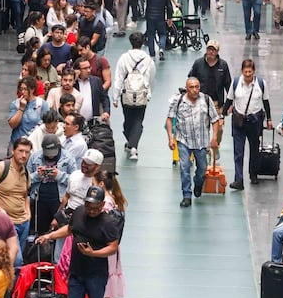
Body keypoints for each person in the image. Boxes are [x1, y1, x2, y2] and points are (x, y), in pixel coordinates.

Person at [35, 186, 121, 298]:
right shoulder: (80, 212)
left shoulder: (108, 223)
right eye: (89, 206)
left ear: (102, 205)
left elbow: (113, 247)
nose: (92, 210)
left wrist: (93, 253)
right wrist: (49, 236)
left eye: (96, 207)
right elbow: (69, 229)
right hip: (77, 269)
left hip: (96, 273)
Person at [166, 77, 223, 207]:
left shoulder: (206, 100)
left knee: (202, 168)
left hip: (201, 141)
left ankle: (198, 182)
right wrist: (170, 138)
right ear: (186, 88)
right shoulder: (178, 101)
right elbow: (169, 119)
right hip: (183, 140)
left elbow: (215, 120)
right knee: (184, 167)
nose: (195, 90)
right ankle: (186, 196)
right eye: (191, 87)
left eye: (197, 87)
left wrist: (214, 137)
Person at [223, 59, 273, 190]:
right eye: (245, 72)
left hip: (254, 121)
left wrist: (269, 119)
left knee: (254, 150)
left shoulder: (261, 84)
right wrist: (222, 115)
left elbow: (266, 102)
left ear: (254, 71)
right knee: (238, 151)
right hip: (238, 121)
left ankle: (253, 174)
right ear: (242, 71)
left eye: (250, 72)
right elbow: (229, 100)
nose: (247, 74)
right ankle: (238, 180)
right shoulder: (236, 83)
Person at [111, 32, 156, 160]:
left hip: (126, 94)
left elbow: (119, 77)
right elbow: (152, 78)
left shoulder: (124, 58)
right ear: (142, 43)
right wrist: (149, 93)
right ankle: (133, 145)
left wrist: (115, 96)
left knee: (128, 120)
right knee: (138, 120)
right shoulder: (148, 59)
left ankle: (132, 145)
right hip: (142, 94)